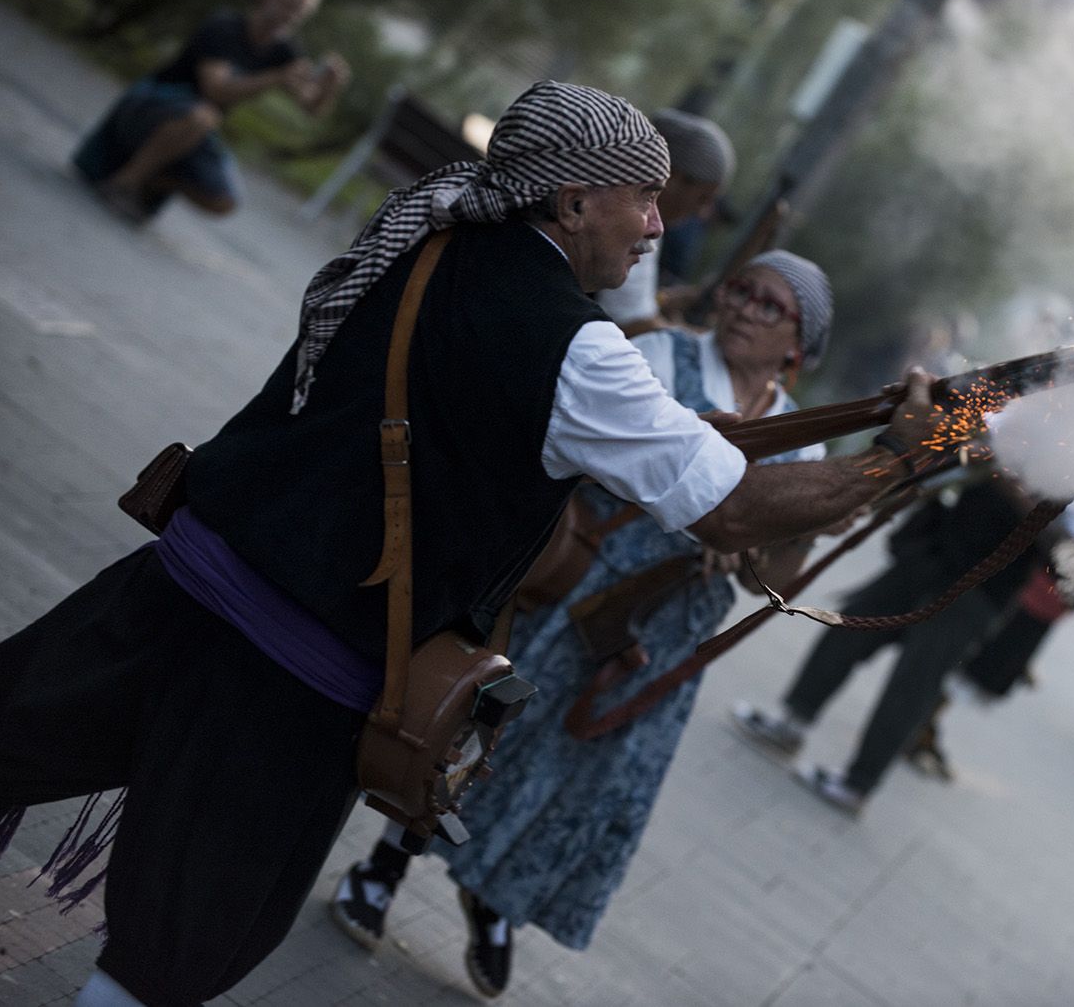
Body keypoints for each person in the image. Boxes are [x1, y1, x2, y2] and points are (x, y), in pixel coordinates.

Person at [0, 80, 945, 1007]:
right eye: (641, 201)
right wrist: (896, 460)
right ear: (568, 201)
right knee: (173, 947)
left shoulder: (422, 235)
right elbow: (727, 510)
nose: (656, 227)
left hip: (184, 580)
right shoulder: (580, 351)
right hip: (290, 678)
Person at [329, 250, 832, 996]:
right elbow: (597, 451)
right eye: (740, 289)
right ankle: (383, 869)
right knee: (478, 736)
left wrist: (751, 550)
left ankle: (494, 894)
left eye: (769, 305)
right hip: (582, 589)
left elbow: (779, 575)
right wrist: (710, 518)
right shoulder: (661, 353)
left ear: (798, 343)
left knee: (582, 778)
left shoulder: (805, 439)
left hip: (663, 633)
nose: (743, 308)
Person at [732, 466, 1060, 814]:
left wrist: (1021, 496)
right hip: (936, 550)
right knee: (849, 628)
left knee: (913, 683)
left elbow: (1073, 545)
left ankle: (857, 784)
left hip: (982, 590)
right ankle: (791, 722)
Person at [71, 0, 349, 222]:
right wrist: (275, 78)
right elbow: (216, 90)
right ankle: (122, 184)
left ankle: (149, 179)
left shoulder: (285, 51)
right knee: (203, 116)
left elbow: (311, 108)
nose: (292, 17)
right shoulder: (224, 26)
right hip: (150, 106)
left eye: (301, 11)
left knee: (224, 199)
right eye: (288, 4)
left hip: (194, 127)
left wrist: (329, 87)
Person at [901, 505, 1074, 781]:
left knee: (980, 671)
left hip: (1051, 596)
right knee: (971, 664)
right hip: (1033, 579)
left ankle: (921, 726)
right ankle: (915, 728)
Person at [595, 108, 734, 335]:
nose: (702, 212)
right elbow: (631, 324)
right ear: (673, 176)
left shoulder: (647, 223)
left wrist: (665, 300)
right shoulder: (632, 223)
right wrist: (703, 342)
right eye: (702, 198)